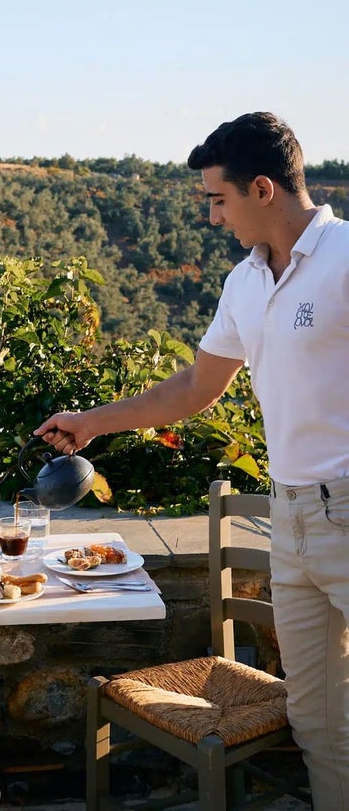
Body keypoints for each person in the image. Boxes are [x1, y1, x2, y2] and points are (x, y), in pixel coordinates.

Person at [35, 111, 349, 810]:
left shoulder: (345, 258)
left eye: (217, 199)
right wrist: (91, 424)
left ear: (261, 189)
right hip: (289, 516)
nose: (210, 217)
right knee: (318, 721)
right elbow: (194, 388)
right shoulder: (244, 281)